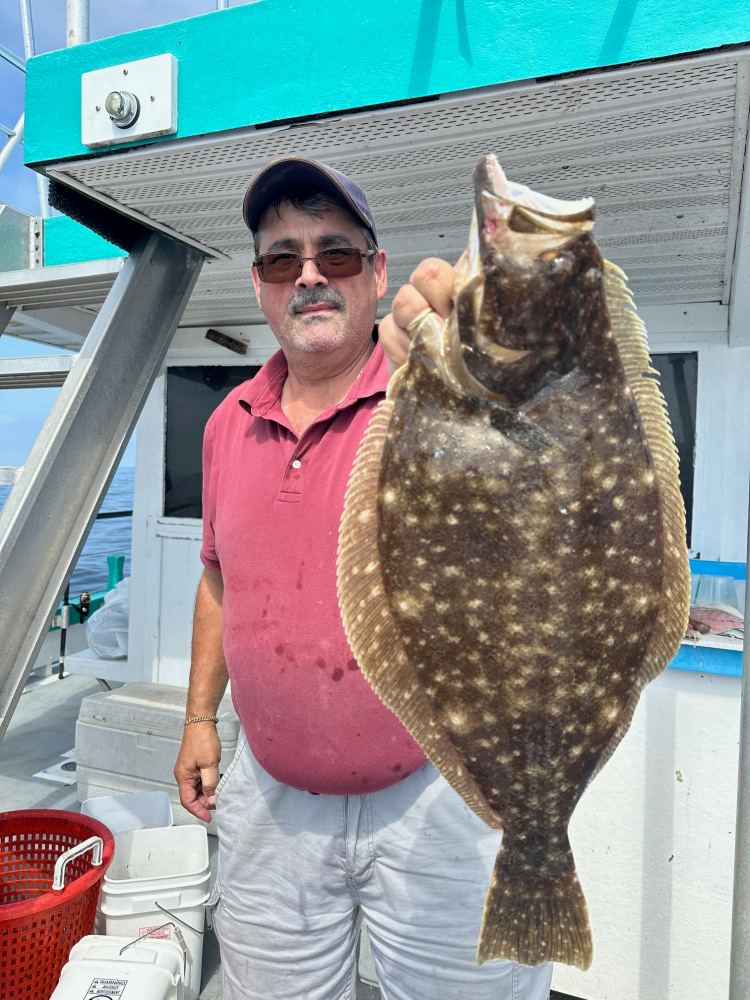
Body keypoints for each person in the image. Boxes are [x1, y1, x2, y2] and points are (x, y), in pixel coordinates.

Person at [174, 157, 553, 1000]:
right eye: (283, 260)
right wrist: (201, 716)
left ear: (377, 275)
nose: (309, 276)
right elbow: (217, 576)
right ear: (262, 286)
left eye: (336, 254)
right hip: (269, 797)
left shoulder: (437, 392)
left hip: (438, 789)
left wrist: (492, 348)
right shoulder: (226, 423)